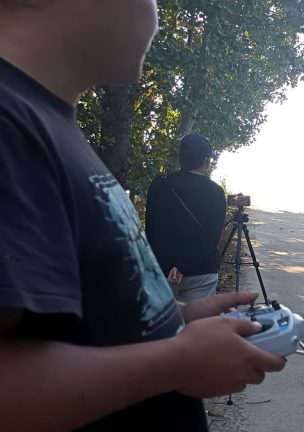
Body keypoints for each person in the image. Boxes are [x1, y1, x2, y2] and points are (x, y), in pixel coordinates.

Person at [0, 1, 285, 431]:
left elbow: (72, 320)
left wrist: (174, 318)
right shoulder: (9, 123)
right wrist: (177, 359)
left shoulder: (46, 120)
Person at [146, 134, 226, 303]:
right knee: (198, 326)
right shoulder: (215, 193)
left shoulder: (160, 184)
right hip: (200, 272)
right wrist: (183, 266)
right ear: (206, 161)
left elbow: (151, 231)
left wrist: (170, 265)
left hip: (161, 270)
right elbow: (212, 238)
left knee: (163, 326)